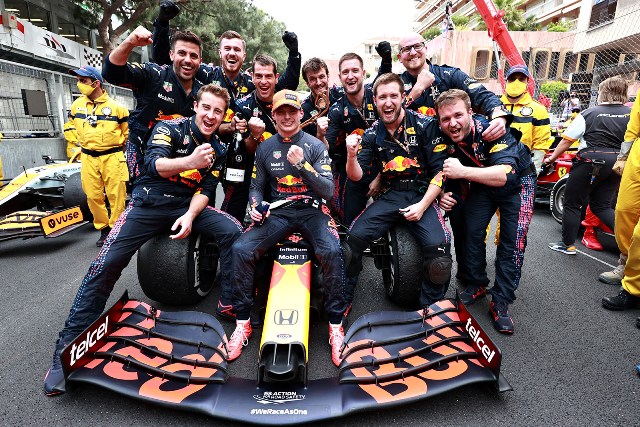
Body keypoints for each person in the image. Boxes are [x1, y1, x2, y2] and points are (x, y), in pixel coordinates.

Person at [43, 84, 243, 396]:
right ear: (195, 106)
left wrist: (190, 216)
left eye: (218, 111)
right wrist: (189, 161)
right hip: (147, 204)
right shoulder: (169, 128)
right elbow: (153, 164)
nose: (210, 115)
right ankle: (66, 346)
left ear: (224, 116)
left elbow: (206, 190)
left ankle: (228, 302)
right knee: (105, 263)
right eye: (206, 107)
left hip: (184, 205)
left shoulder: (218, 147)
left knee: (234, 230)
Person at [226, 89, 347, 366]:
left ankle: (335, 326)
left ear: (301, 114)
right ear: (273, 116)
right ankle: (242, 323)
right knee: (241, 249)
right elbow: (256, 187)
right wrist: (255, 206)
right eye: (281, 112)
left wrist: (302, 164)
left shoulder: (315, 146)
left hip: (312, 211)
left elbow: (328, 191)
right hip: (279, 212)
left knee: (332, 251)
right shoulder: (265, 147)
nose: (287, 117)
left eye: (292, 111)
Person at [344, 73, 452, 310]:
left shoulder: (426, 125)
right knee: (351, 244)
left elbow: (440, 172)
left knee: (439, 258)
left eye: (394, 96)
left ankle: (430, 311)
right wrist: (351, 156)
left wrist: (422, 206)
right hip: (391, 194)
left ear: (403, 97)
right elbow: (357, 176)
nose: (388, 102)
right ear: (375, 101)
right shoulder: (371, 134)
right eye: (382, 97)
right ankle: (343, 300)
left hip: (422, 194)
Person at [437, 89, 536, 334]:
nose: (453, 123)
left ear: (471, 113)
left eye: (458, 115)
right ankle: (477, 283)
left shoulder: (492, 129)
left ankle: (501, 301)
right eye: (446, 119)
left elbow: (505, 175)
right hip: (483, 182)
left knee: (512, 241)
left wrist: (462, 172)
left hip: (518, 182)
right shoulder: (442, 136)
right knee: (471, 231)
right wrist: (442, 194)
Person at [103, 26, 211, 186]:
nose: (188, 60)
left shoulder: (202, 92)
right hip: (143, 161)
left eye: (193, 56)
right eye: (182, 53)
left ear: (200, 61)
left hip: (181, 165)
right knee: (148, 198)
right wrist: (129, 43)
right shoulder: (154, 74)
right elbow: (111, 73)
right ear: (171, 55)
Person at [546, 76, 631, 255]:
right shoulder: (631, 114)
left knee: (572, 202)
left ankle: (567, 245)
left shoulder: (590, 113)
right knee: (602, 206)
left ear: (603, 92)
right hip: (618, 163)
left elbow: (567, 141)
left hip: (591, 162)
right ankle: (631, 242)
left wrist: (552, 159)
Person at [394, 32, 509, 142]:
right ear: (399, 57)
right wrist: (417, 90)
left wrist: (500, 117)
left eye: (418, 46)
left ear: (426, 49)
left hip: (454, 147)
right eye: (407, 49)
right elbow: (391, 118)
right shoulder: (395, 84)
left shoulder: (449, 75)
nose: (413, 52)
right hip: (414, 148)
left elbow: (483, 96)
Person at [68, 66, 129, 246]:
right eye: (78, 80)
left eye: (83, 81)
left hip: (112, 157)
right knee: (93, 196)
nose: (79, 84)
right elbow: (71, 126)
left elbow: (126, 135)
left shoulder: (118, 108)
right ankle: (104, 229)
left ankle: (116, 229)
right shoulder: (76, 106)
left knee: (116, 196)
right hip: (88, 157)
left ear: (96, 83)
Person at [219, 54, 281, 225]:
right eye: (259, 76)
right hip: (247, 167)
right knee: (230, 218)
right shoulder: (242, 105)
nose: (263, 81)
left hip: (277, 169)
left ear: (276, 78)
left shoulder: (284, 104)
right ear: (252, 77)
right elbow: (244, 149)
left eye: (268, 76)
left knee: (274, 220)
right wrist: (254, 135)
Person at [325, 53, 382, 226]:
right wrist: (320, 134)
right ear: (340, 77)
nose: (350, 76)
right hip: (353, 167)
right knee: (350, 220)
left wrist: (380, 177)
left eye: (355, 71)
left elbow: (395, 139)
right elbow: (327, 148)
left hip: (385, 165)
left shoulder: (379, 98)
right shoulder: (336, 110)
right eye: (345, 72)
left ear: (363, 73)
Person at [300, 42, 392, 141]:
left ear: (328, 77)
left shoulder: (341, 92)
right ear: (307, 83)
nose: (318, 82)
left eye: (321, 77)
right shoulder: (303, 110)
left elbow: (379, 84)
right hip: (333, 148)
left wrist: (386, 62)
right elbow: (307, 144)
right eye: (312, 79)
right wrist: (320, 134)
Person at [601, 89, 640, 314]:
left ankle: (633, 289)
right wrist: (623, 157)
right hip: (637, 155)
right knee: (624, 212)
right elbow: (634, 124)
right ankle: (626, 263)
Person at [500, 65, 551, 170]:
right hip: (494, 163)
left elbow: (540, 144)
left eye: (521, 79)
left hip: (522, 165)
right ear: (506, 82)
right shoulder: (494, 106)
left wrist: (533, 170)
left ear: (527, 82)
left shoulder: (538, 110)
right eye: (512, 79)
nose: (516, 82)